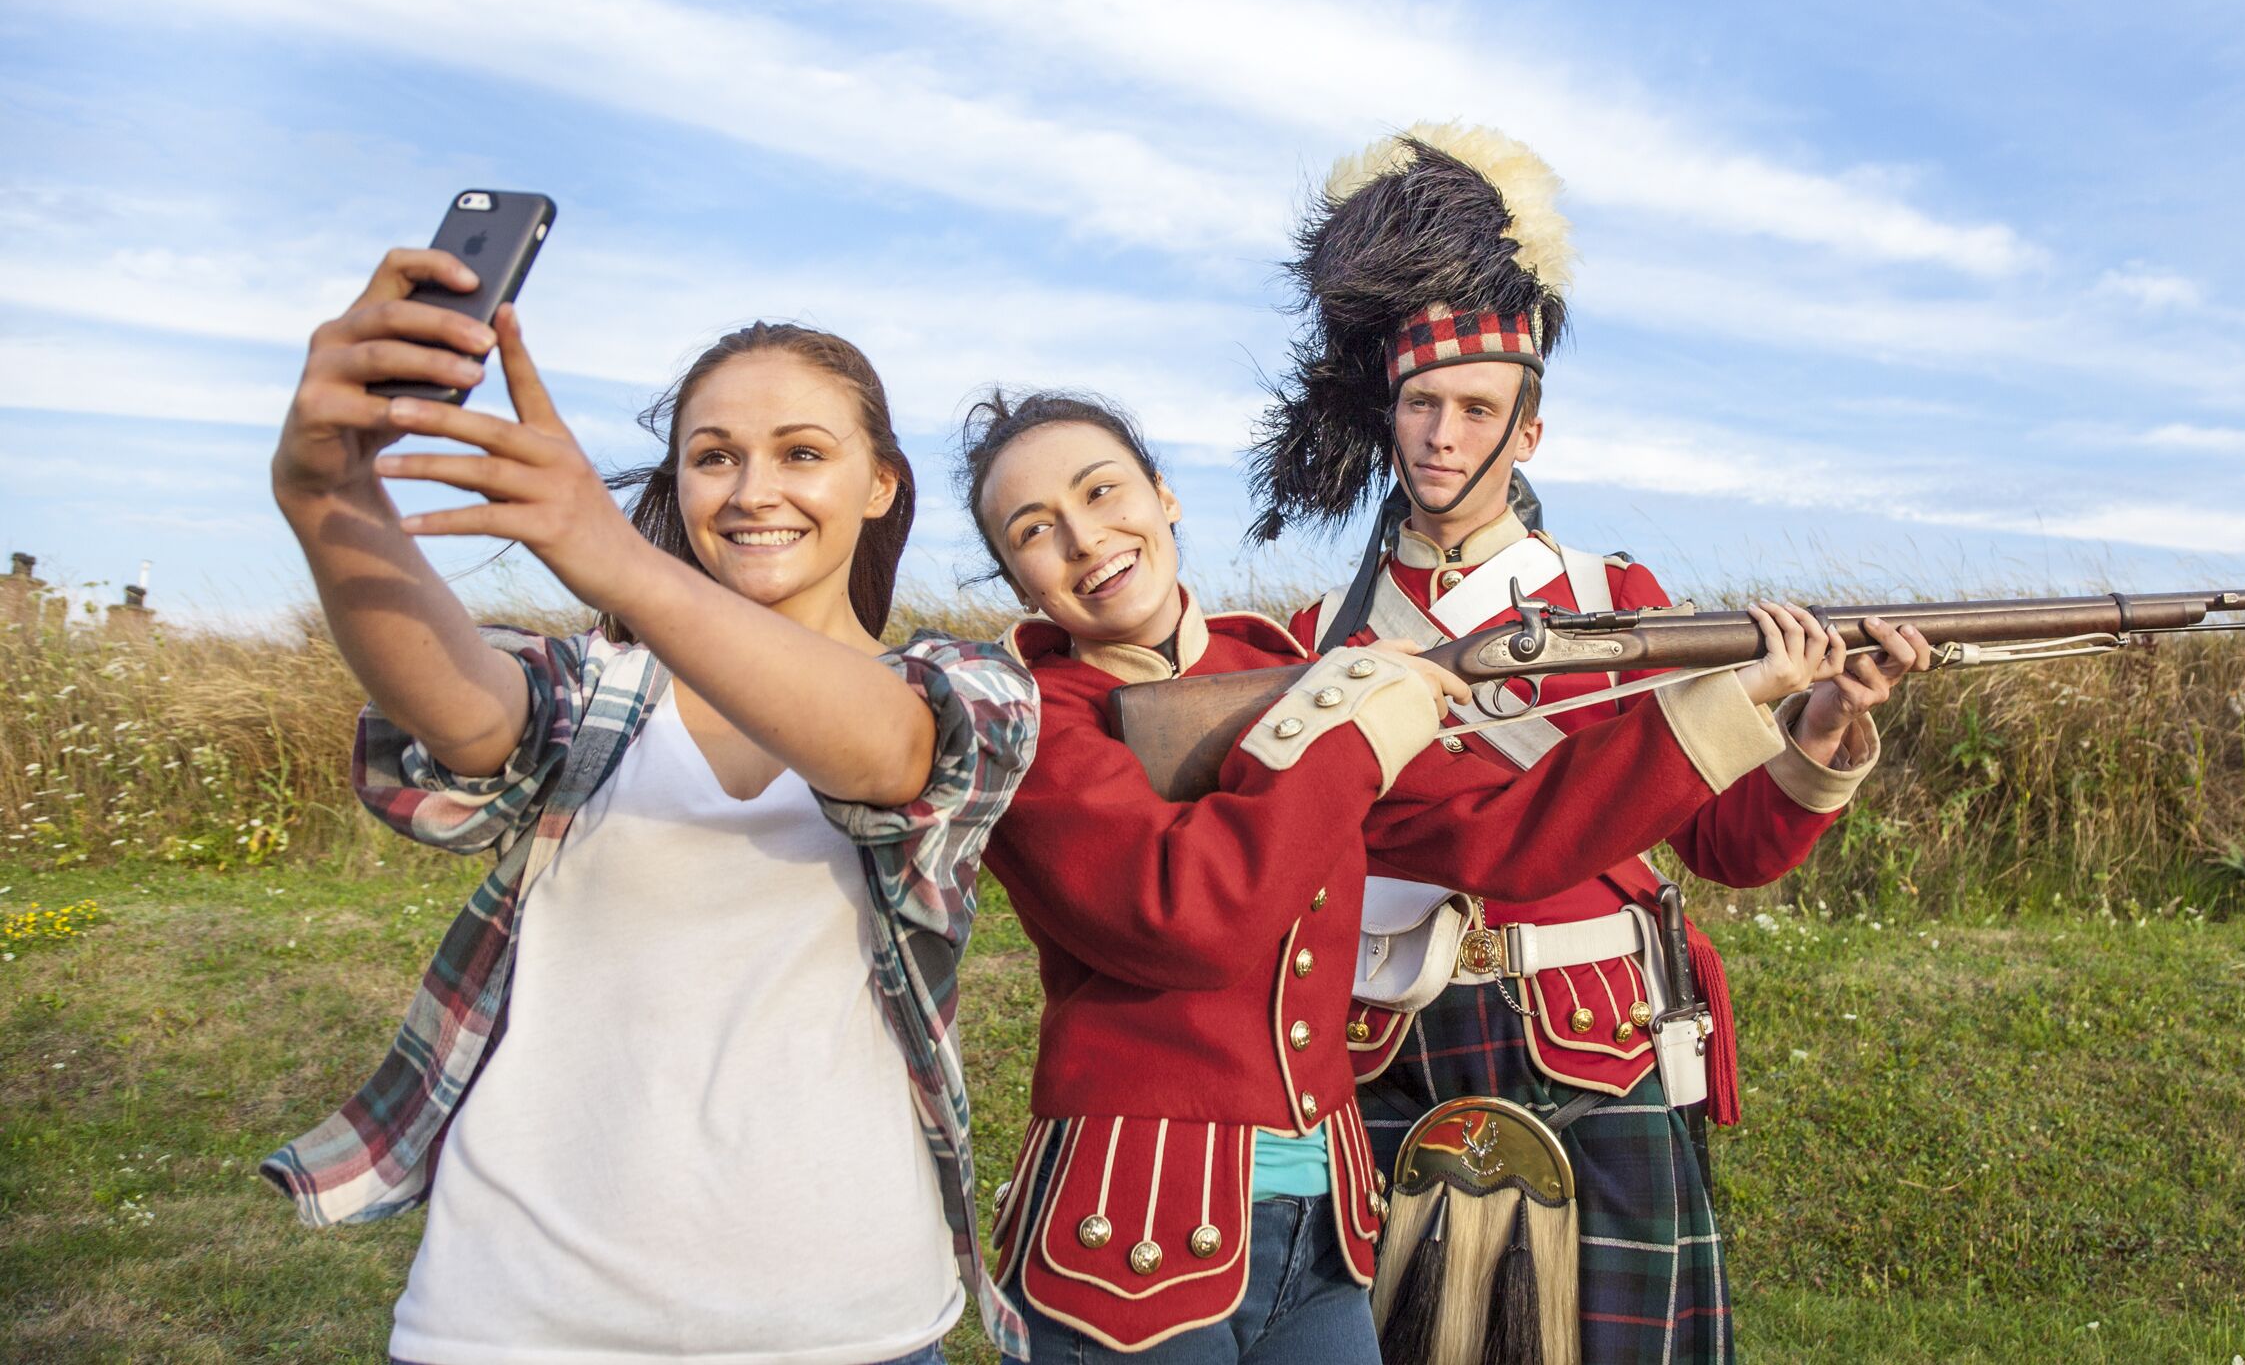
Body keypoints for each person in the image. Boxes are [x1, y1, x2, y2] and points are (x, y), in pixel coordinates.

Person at [259, 247, 1038, 1365]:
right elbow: (471, 724)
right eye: (713, 457)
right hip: (514, 1315)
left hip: (841, 1320)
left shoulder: (967, 691)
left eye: (802, 453)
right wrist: (328, 496)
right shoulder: (594, 688)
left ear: (880, 486)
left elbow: (886, 754)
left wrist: (615, 559)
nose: (753, 491)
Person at [960, 390, 1836, 1363]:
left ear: (1164, 495)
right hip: (1133, 1227)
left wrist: (1745, 694)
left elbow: (1502, 833)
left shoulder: (1293, 661)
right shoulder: (1029, 719)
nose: (1085, 538)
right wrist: (1359, 734)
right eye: (1035, 528)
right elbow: (1190, 914)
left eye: (1102, 490)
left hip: (1327, 1222)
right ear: (1012, 572)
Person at [1251, 125, 1932, 1365]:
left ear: (1530, 432)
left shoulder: (1619, 594)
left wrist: (1824, 726)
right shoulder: (1316, 636)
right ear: (1387, 413)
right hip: (1390, 1034)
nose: (1444, 436)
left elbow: (1725, 843)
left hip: (1591, 1029)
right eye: (1422, 404)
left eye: (1476, 409)